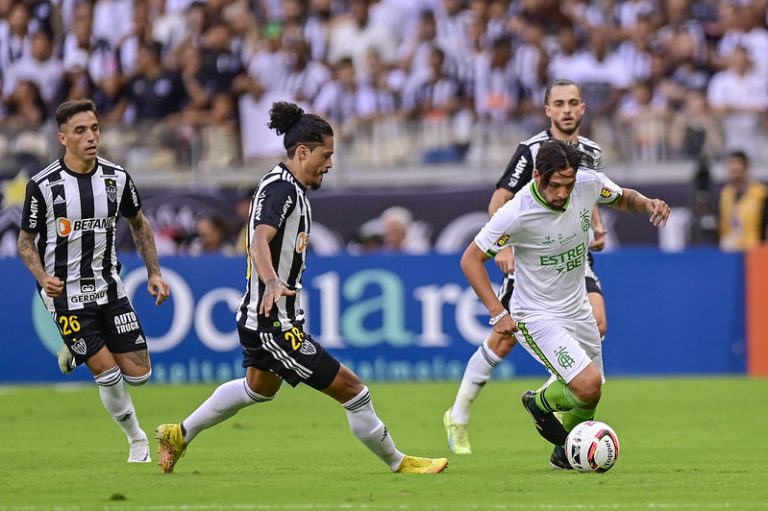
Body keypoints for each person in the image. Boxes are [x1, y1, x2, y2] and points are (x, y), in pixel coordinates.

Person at [155, 101, 448, 475]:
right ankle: (399, 462)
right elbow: (259, 239)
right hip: (272, 323)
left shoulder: (288, 186)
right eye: (326, 155)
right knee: (353, 390)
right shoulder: (281, 190)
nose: (330, 163)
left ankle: (178, 434)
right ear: (303, 151)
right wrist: (272, 280)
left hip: (266, 318)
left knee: (258, 389)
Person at [461, 139, 669, 469]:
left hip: (577, 309)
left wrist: (648, 204)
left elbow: (623, 198)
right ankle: (539, 404)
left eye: (568, 184)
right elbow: (470, 260)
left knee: (593, 391)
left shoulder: (586, 183)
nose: (562, 193)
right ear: (537, 175)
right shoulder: (516, 212)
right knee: (584, 384)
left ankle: (563, 456)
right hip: (537, 315)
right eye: (555, 185)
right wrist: (496, 312)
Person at [444, 79, 608, 455]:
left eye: (573, 103)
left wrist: (596, 226)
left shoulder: (590, 152)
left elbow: (587, 190)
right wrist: (504, 247)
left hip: (573, 255)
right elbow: (500, 198)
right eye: (559, 104)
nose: (566, 110)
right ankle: (459, 413)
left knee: (598, 323)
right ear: (547, 110)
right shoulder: (530, 151)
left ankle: (566, 417)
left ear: (583, 109)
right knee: (504, 337)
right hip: (531, 256)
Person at [17, 98, 171, 463]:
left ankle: (74, 349)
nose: (91, 137)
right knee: (108, 372)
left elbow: (139, 224)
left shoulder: (117, 179)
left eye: (95, 128)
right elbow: (25, 240)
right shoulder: (43, 186)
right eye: (80, 130)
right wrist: (42, 276)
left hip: (109, 288)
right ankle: (137, 441)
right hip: (65, 297)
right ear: (62, 138)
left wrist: (154, 272)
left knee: (140, 375)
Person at [718, 150, 768, 251]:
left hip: (754, 251)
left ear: (746, 167)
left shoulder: (760, 193)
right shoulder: (725, 194)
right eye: (731, 164)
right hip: (730, 251)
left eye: (738, 163)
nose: (735, 168)